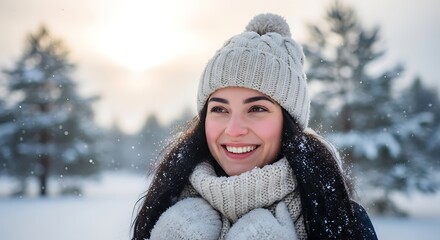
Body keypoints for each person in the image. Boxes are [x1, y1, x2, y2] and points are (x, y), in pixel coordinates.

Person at [131, 13, 378, 240]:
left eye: (257, 109)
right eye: (219, 109)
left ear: (288, 123)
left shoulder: (338, 217)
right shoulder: (166, 203)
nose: (234, 129)